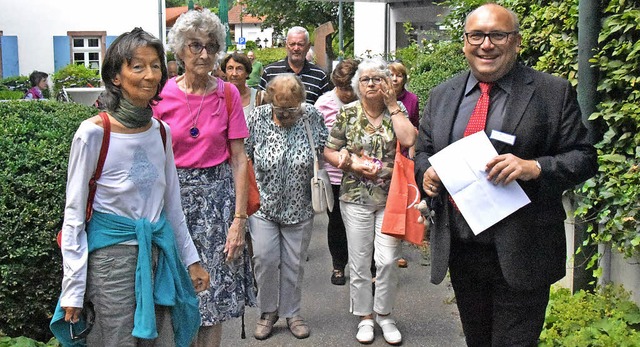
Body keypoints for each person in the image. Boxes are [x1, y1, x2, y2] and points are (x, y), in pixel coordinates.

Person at [414, 4, 598, 346]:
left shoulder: (551, 92)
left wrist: (534, 167)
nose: (486, 44)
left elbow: (584, 157)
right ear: (465, 43)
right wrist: (426, 175)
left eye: (498, 35)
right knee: (477, 340)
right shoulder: (443, 95)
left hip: (524, 250)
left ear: (516, 42)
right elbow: (423, 152)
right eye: (477, 35)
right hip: (463, 250)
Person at [52, 27, 209, 346]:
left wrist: (191, 261)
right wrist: (73, 288)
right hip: (111, 258)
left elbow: (172, 207)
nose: (150, 74)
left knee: (156, 338)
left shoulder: (162, 132)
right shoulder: (93, 133)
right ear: (115, 76)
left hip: (157, 252)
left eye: (155, 65)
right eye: (137, 66)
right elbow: (73, 214)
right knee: (119, 339)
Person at [152, 9, 256, 347]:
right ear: (180, 50)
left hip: (218, 207)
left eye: (211, 46)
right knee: (176, 291)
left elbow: (239, 159)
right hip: (173, 204)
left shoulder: (227, 94)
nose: (204, 54)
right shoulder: (161, 95)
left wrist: (239, 220)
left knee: (212, 297)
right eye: (195, 46)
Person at [324, 58, 416, 345]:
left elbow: (410, 138)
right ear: (357, 85)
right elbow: (329, 150)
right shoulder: (348, 114)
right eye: (366, 79)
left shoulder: (396, 111)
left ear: (388, 83)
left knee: (387, 260)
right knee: (361, 260)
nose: (372, 84)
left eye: (378, 78)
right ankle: (365, 316)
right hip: (354, 197)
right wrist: (348, 163)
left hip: (392, 197)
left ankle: (385, 314)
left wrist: (392, 106)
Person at [245, 74, 328, 341]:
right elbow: (244, 156)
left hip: (300, 204)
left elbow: (322, 148)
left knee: (294, 263)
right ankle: (268, 311)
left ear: (301, 102)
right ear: (271, 101)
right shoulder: (257, 118)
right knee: (265, 260)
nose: (285, 114)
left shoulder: (311, 116)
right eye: (280, 108)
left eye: (291, 109)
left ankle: (292, 312)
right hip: (263, 206)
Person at [313, 59, 359, 286]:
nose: (347, 93)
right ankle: (338, 264)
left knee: (362, 220)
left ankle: (367, 266)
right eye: (343, 88)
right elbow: (319, 139)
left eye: (350, 88)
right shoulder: (324, 104)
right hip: (333, 173)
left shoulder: (365, 99)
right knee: (337, 221)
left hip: (363, 175)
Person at [259, 26, 330, 104]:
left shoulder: (319, 75)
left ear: (308, 46)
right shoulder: (270, 72)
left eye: (300, 44)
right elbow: (261, 105)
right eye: (292, 44)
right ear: (286, 46)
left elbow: (325, 108)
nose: (296, 48)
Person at [222, 52, 264, 118]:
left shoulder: (259, 97)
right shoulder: (218, 97)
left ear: (247, 72)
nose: (234, 73)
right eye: (230, 68)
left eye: (239, 69)